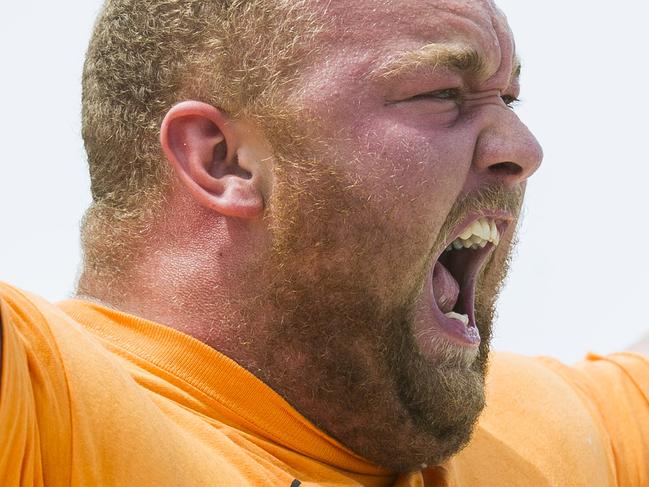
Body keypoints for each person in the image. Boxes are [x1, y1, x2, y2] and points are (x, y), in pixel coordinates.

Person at [1, 0, 647, 485]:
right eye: (442, 94)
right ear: (223, 160)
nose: (523, 150)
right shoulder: (50, 410)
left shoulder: (552, 439)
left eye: (507, 97)